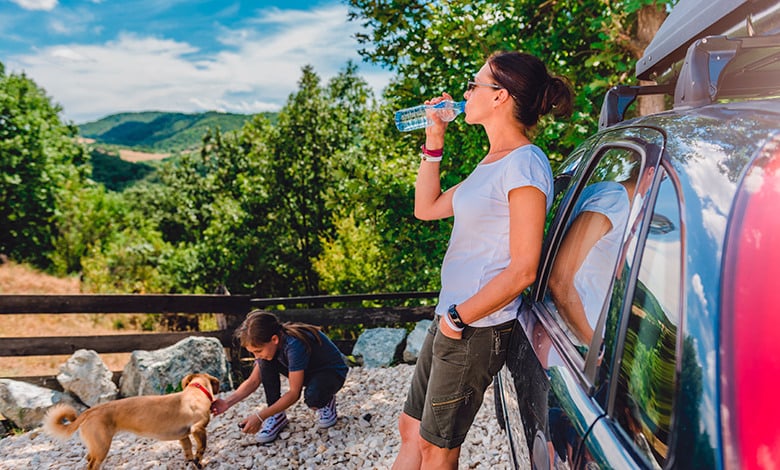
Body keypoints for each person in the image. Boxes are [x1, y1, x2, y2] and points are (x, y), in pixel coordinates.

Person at [393, 51, 573, 469]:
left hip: (475, 326)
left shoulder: (525, 164)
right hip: (452, 317)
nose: (465, 94)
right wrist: (434, 140)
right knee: (410, 428)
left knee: (438, 450)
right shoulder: (490, 165)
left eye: (474, 85)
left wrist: (458, 318)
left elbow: (524, 267)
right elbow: (427, 206)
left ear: (500, 97)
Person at [211, 310, 348, 444]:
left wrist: (260, 416)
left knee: (313, 397)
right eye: (253, 353)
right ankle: (277, 415)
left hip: (331, 373)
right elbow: (253, 381)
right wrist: (227, 403)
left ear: (274, 339)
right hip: (308, 372)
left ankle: (325, 400)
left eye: (258, 351)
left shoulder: (294, 345)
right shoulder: (271, 347)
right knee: (265, 362)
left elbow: (294, 393)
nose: (256, 357)